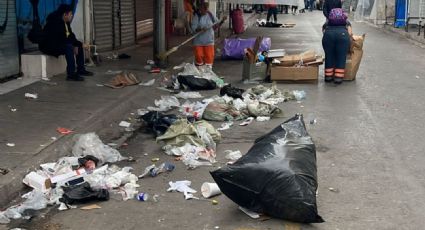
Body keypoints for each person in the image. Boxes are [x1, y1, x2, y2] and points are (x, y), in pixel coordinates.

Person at [39, 4, 93, 81]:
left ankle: (81, 69)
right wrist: (73, 45)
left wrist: (78, 44)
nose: (71, 16)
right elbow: (61, 38)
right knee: (69, 47)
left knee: (79, 44)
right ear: (65, 14)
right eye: (70, 14)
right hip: (48, 46)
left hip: (58, 43)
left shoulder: (65, 22)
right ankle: (71, 74)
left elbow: (70, 35)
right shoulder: (55, 22)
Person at [191, 2, 226, 68]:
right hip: (198, 42)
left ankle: (208, 72)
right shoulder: (197, 16)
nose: (204, 11)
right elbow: (193, 28)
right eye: (201, 9)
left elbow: (216, 26)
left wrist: (222, 21)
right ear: (200, 8)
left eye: (205, 9)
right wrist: (200, 29)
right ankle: (200, 72)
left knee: (209, 60)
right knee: (199, 58)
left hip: (209, 41)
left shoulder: (210, 15)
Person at [321, 12, 353, 84]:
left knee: (329, 56)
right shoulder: (346, 22)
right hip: (343, 36)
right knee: (341, 57)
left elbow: (323, 31)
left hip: (328, 36)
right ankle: (338, 78)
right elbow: (350, 33)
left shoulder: (327, 22)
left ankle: (328, 77)